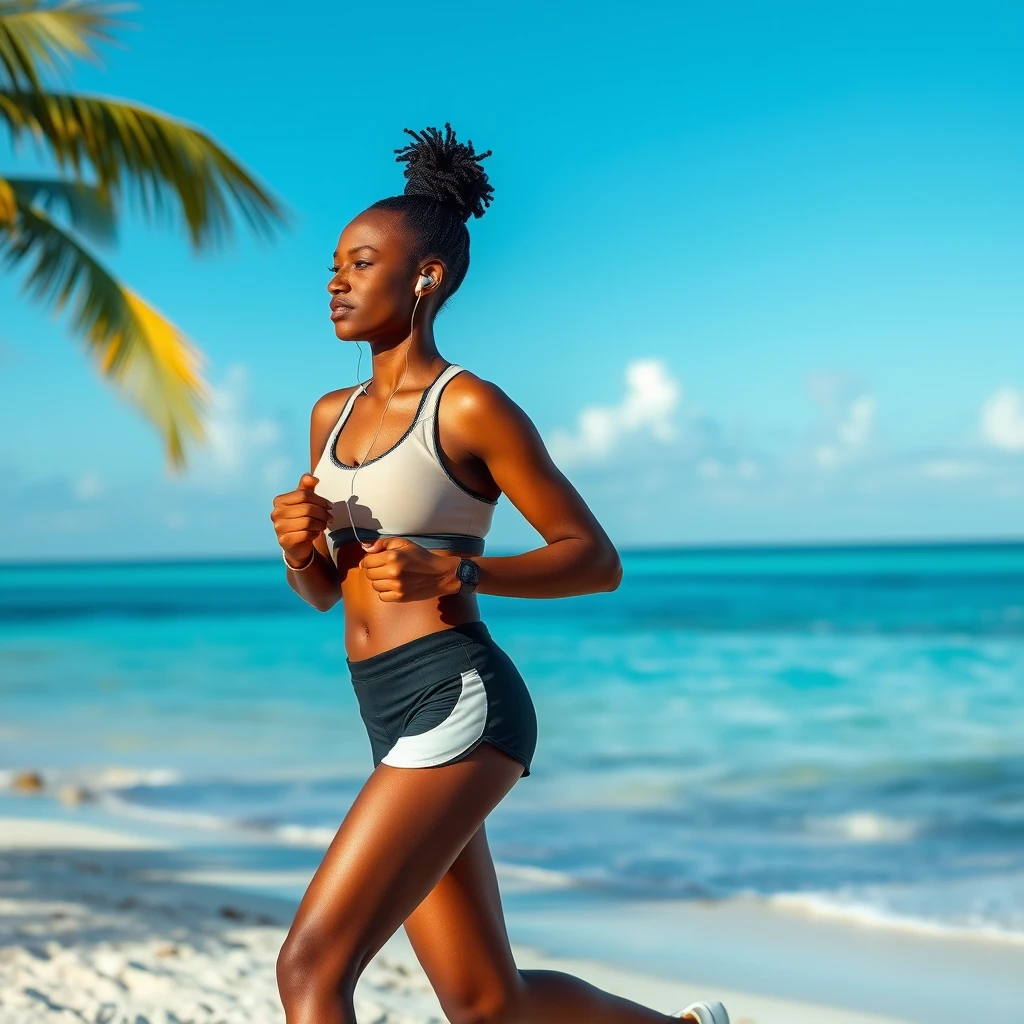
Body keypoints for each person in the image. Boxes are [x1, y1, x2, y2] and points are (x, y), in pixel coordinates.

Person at [269, 124, 730, 1024]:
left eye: (362, 263)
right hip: (382, 704)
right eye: (335, 264)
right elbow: (328, 593)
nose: (336, 280)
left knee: (310, 971)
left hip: (460, 697)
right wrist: (298, 547)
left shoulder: (469, 404)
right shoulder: (330, 413)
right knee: (488, 1005)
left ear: (426, 278)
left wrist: (459, 571)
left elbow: (594, 560)